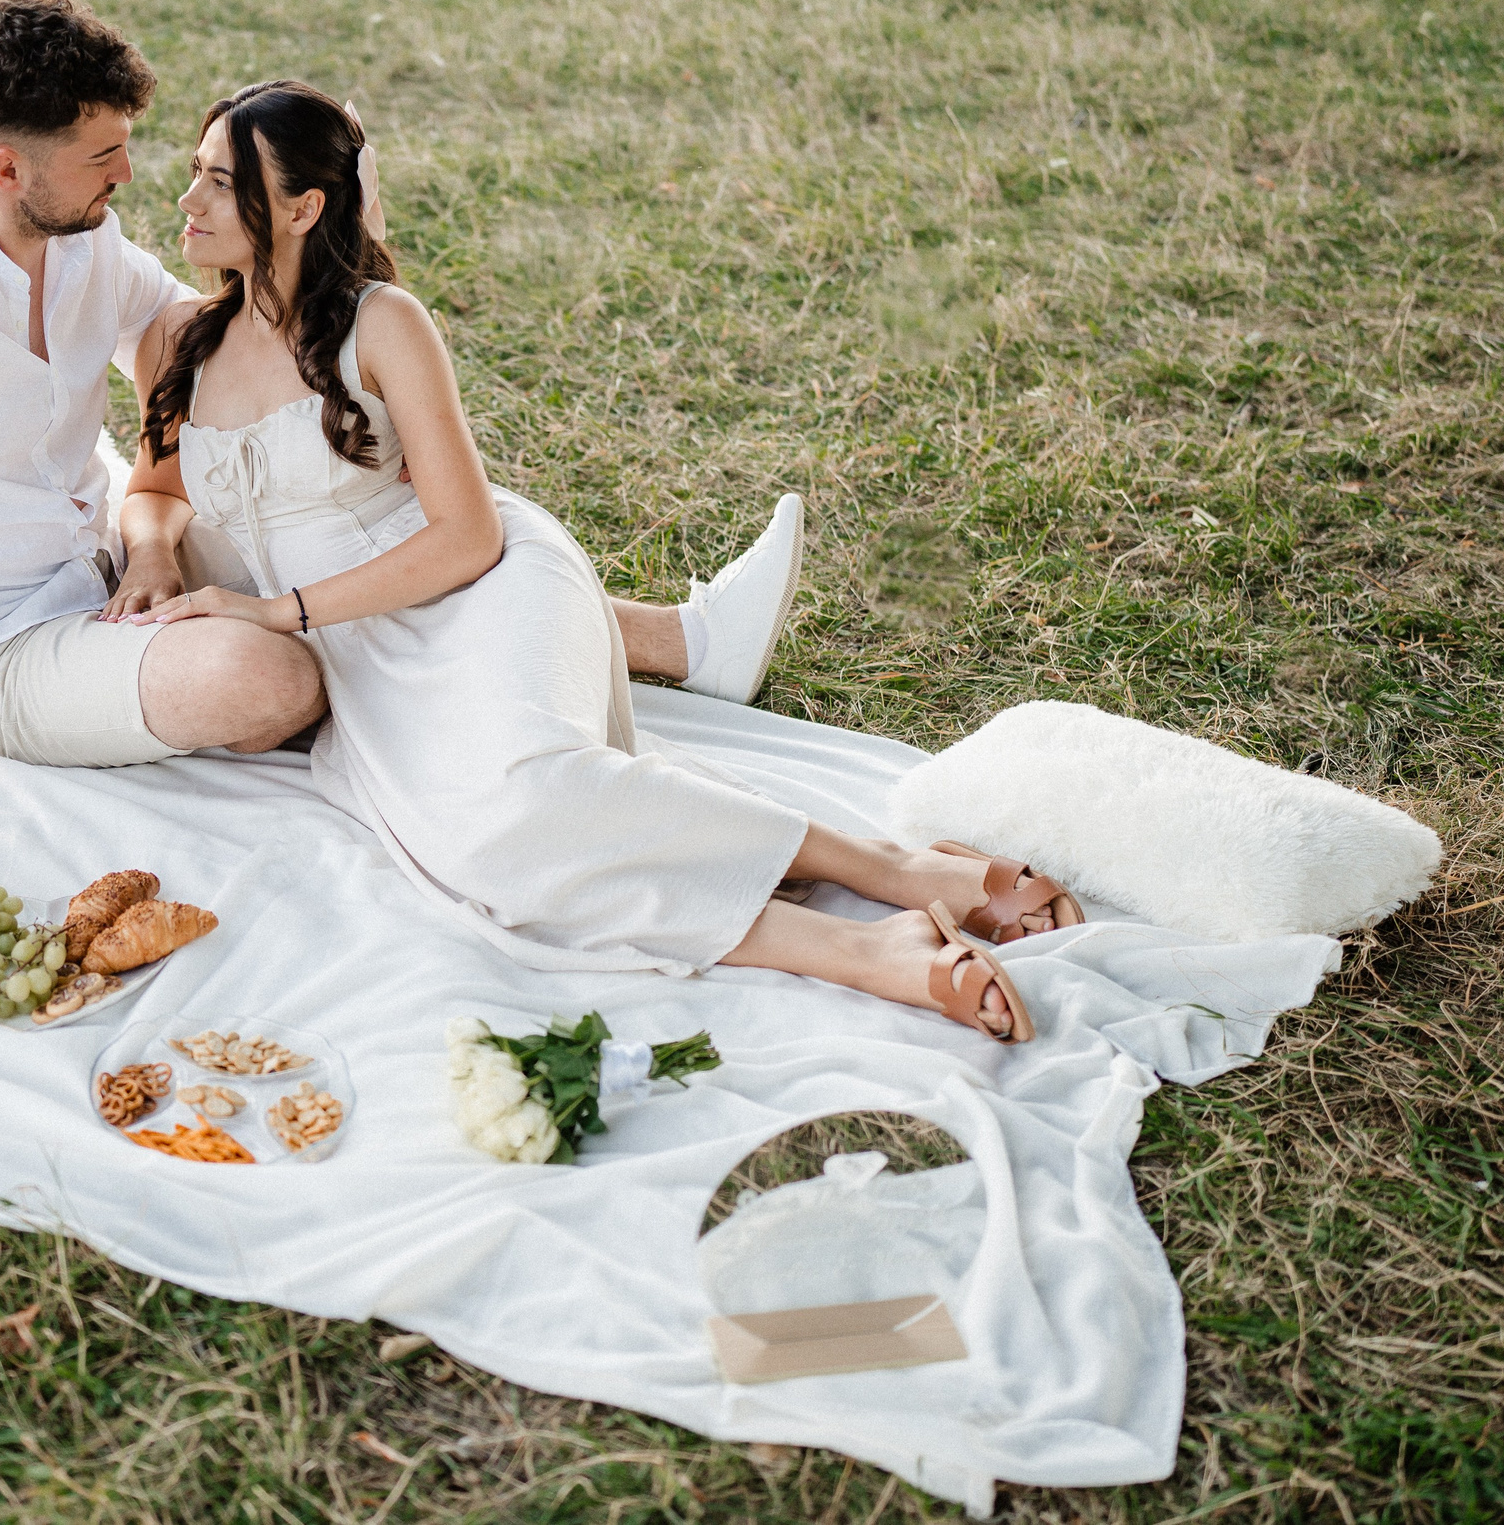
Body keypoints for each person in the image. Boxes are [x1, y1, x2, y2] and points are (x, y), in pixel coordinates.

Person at [113, 81, 1084, 1042]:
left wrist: (279, 613)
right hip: (360, 653)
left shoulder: (383, 323)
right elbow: (156, 491)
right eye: (193, 176)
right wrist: (151, 556)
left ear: (301, 207)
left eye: (218, 183)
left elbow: (468, 535)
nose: (187, 204)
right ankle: (864, 952)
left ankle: (891, 871)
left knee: (538, 787)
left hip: (478, 590)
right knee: (488, 847)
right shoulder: (183, 341)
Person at [0, 0, 804, 814]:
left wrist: (157, 524)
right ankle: (525, 669)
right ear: (7, 168)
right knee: (263, 676)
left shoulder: (80, 233)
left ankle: (679, 641)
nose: (130, 179)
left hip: (108, 571)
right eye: (105, 156)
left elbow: (190, 343)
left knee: (312, 503)